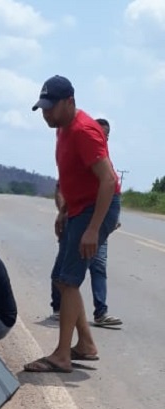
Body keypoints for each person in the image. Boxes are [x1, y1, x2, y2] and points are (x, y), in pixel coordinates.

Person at [25, 75, 121, 373]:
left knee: (69, 281)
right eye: (43, 108)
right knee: (62, 278)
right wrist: (64, 210)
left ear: (69, 102)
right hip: (78, 209)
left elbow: (108, 180)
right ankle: (86, 345)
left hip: (96, 209)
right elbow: (73, 174)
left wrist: (93, 229)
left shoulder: (84, 131)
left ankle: (62, 355)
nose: (46, 114)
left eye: (50, 107)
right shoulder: (62, 127)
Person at [49, 118, 122, 327]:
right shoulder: (83, 149)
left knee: (93, 269)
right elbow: (63, 188)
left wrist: (98, 226)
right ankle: (60, 309)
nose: (103, 137)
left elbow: (111, 188)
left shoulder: (102, 159)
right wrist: (63, 212)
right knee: (64, 276)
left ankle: (100, 312)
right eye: (100, 133)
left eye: (106, 135)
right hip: (77, 220)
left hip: (94, 223)